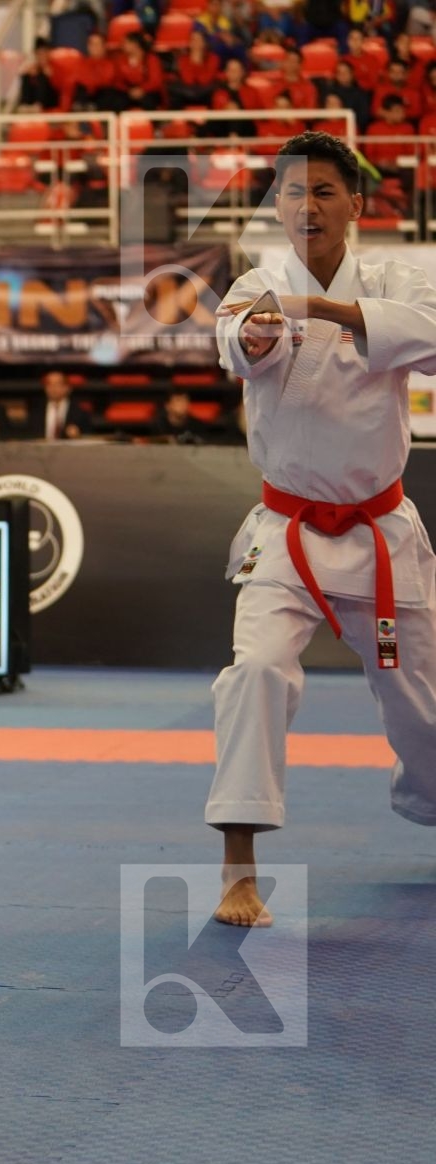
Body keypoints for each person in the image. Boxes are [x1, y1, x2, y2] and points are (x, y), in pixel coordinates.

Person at [207, 130, 436, 926]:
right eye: (294, 193)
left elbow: (431, 338)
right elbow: (239, 345)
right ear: (278, 206)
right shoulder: (255, 285)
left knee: (420, 705)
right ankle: (238, 870)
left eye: (325, 191)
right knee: (256, 673)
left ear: (355, 204)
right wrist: (261, 333)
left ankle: (430, 802)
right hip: (286, 531)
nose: (308, 206)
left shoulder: (398, 280)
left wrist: (322, 310)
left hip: (380, 534)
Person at [30, 369, 93, 440]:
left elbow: (89, 436)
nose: (53, 388)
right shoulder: (35, 410)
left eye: (57, 384)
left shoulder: (80, 412)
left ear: (67, 387)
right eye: (49, 384)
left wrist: (78, 436)